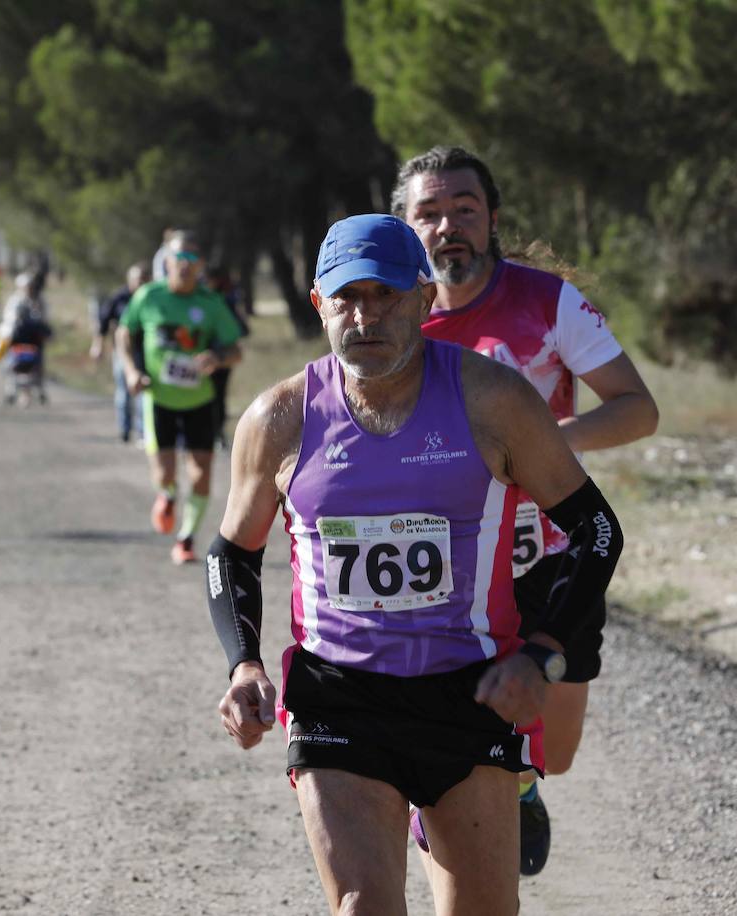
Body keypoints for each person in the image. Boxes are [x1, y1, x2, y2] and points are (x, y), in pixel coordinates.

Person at [208, 214, 624, 915]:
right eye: (347, 298)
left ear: (426, 301)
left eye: (387, 295)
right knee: (364, 907)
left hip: (468, 689)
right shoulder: (279, 417)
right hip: (337, 694)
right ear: (318, 303)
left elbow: (597, 532)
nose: (365, 316)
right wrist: (243, 662)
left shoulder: (493, 401)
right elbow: (231, 552)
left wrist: (542, 656)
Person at [393, 145, 659, 874]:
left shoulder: (547, 304)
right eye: (429, 214)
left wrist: (542, 446)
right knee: (457, 730)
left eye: (464, 211)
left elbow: (639, 409)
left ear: (492, 219)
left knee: (557, 747)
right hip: (448, 570)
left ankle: (523, 779)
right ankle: (452, 790)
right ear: (404, 228)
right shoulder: (394, 321)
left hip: (550, 558)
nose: (447, 226)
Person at [116, 231, 242, 565]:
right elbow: (124, 333)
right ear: (166, 262)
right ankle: (167, 494)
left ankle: (185, 539)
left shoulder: (211, 304)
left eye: (191, 260)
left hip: (200, 400)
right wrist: (131, 371)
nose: (184, 267)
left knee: (201, 473)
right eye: (178, 259)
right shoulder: (149, 296)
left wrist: (217, 358)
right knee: (165, 472)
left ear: (199, 266)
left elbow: (235, 350)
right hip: (159, 399)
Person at [90, 262, 150, 443]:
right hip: (123, 352)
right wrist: (98, 345)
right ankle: (125, 429)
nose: (139, 283)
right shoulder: (119, 298)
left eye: (143, 279)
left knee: (144, 391)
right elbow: (103, 322)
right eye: (136, 279)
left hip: (146, 352)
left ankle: (143, 431)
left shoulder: (152, 297)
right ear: (129, 280)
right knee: (124, 390)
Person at [204, 265, 250, 448]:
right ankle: (211, 433)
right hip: (208, 355)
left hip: (223, 355)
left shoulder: (224, 300)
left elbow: (239, 328)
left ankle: (218, 433)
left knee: (219, 395)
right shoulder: (205, 300)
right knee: (209, 396)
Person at [0, 272, 53, 406]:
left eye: (30, 286)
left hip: (35, 339)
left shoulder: (40, 300)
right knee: (12, 365)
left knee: (37, 365)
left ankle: (39, 389)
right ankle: (11, 389)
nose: (28, 289)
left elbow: (46, 318)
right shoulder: (14, 301)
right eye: (26, 286)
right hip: (17, 338)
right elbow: (8, 319)